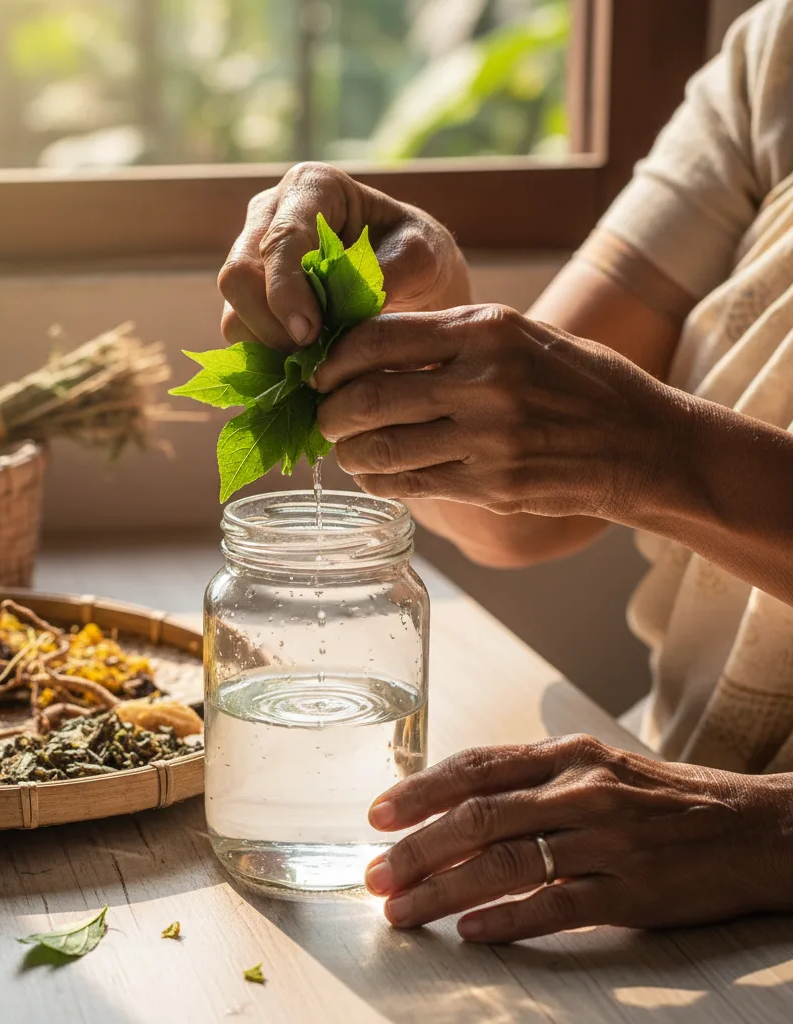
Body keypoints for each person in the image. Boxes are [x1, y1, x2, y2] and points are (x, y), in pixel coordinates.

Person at [216, 0, 793, 942]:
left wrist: (770, 829)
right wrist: (428, 312)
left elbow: (621, 443)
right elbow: (519, 515)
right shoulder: (777, 57)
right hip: (665, 815)